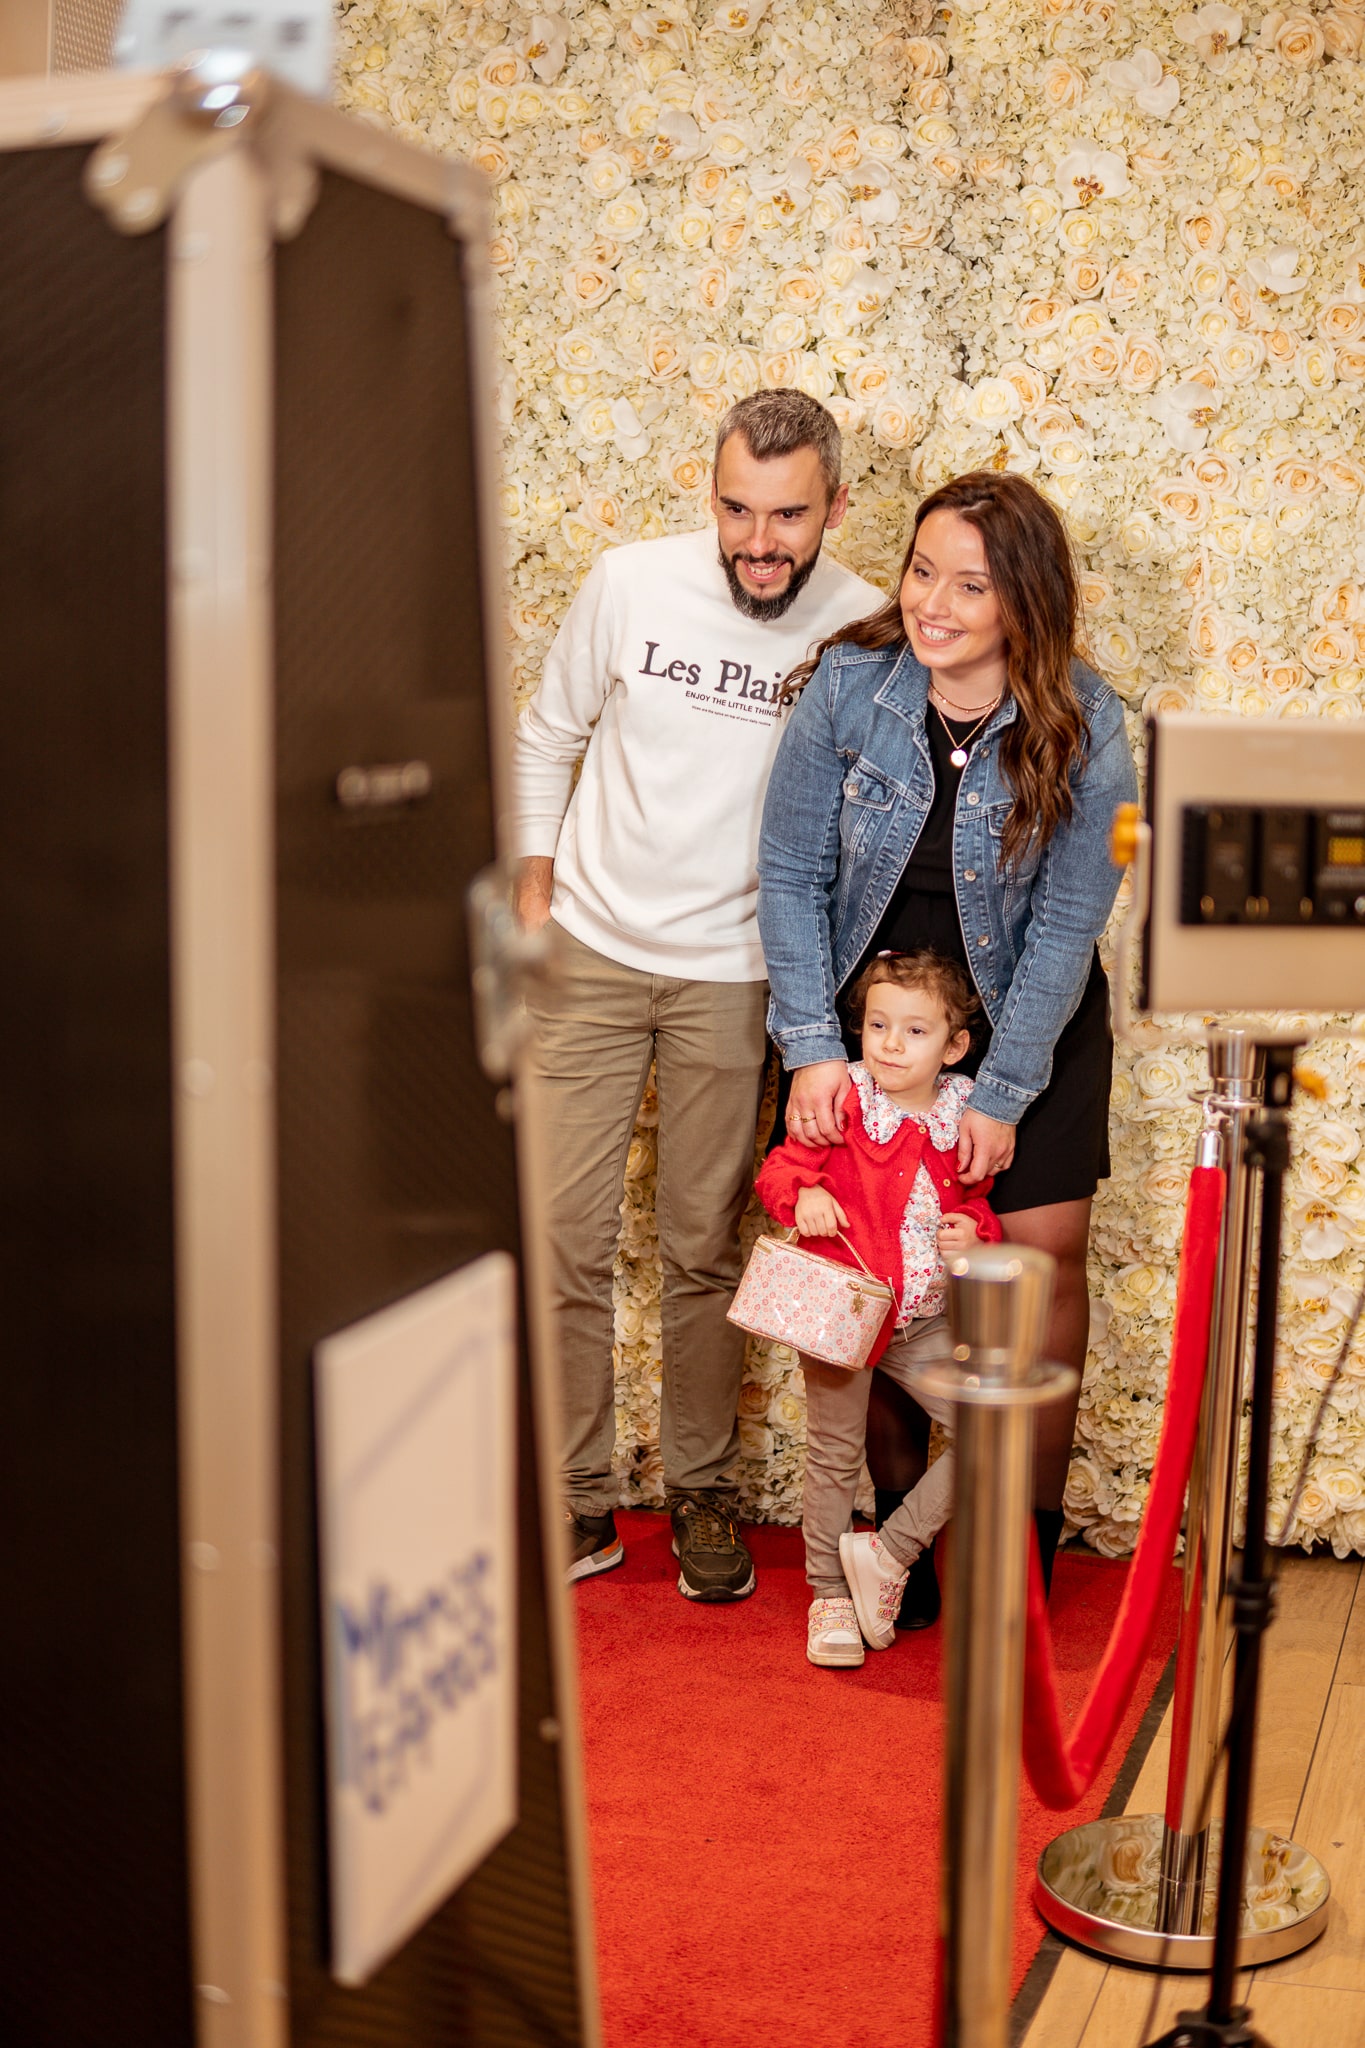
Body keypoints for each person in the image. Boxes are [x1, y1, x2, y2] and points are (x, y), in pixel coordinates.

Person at [513, 389, 882, 1602]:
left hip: (739, 976)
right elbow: (546, 734)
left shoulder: (869, 621)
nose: (758, 540)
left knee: (700, 1250)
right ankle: (575, 1499)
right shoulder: (628, 582)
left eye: (786, 515)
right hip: (593, 949)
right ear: (708, 493)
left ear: (832, 504)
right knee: (561, 1238)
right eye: (735, 509)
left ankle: (704, 1489)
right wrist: (535, 897)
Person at [756, 470, 1138, 1604]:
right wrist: (815, 1045)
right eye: (924, 570)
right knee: (883, 1255)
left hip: (1030, 1011)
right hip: (870, 1015)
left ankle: (1016, 1530)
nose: (934, 602)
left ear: (1022, 601)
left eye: (970, 584)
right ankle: (896, 1536)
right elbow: (789, 869)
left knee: (1036, 1260)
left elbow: (1071, 919)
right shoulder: (851, 686)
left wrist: (1003, 1093)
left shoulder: (1089, 719)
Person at [754, 951, 1001, 1667]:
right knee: (832, 1455)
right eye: (877, 1025)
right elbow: (780, 1170)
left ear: (952, 1045)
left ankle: (890, 1554)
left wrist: (974, 1232)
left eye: (914, 1031)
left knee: (989, 1428)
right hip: (843, 1307)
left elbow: (975, 1204)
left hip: (922, 1318)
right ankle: (828, 1595)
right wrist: (801, 1197)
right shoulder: (845, 1100)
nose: (890, 1044)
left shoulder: (962, 1110)